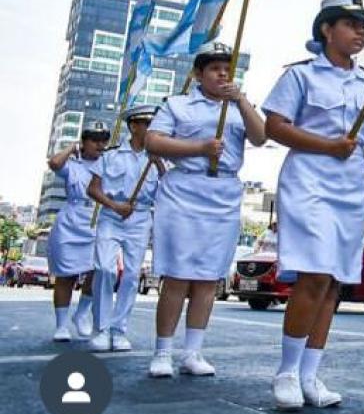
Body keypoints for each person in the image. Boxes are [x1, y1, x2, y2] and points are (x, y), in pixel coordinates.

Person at [262, 0, 364, 410]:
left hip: (350, 185)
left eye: (363, 25)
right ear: (327, 29)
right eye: (350, 24)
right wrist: (328, 146)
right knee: (313, 275)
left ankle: (310, 376)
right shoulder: (302, 76)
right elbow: (275, 126)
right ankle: (287, 372)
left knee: (332, 283)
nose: (360, 32)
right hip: (309, 179)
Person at [146, 41, 267, 379]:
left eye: (227, 68)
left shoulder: (239, 107)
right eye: (214, 68)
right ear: (198, 73)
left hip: (223, 192)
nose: (222, 73)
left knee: (208, 277)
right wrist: (199, 147)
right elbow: (154, 142)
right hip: (184, 189)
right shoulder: (178, 104)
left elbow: (260, 136)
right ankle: (163, 351)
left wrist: (241, 100)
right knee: (178, 275)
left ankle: (193, 352)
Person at [86, 104, 164, 353]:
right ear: (133, 126)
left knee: (131, 275)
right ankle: (102, 328)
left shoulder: (157, 158)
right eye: (147, 124)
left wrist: (159, 163)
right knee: (105, 268)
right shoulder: (110, 156)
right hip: (111, 214)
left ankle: (119, 329)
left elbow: (170, 189)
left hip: (140, 218)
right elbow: (93, 189)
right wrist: (114, 205)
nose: (152, 129)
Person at [45, 121, 110, 342]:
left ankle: (82, 313)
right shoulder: (72, 164)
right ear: (84, 142)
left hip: (97, 218)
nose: (100, 146)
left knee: (99, 270)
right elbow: (54, 163)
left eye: (103, 141)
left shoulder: (108, 165)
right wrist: (72, 148)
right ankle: (61, 325)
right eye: (94, 141)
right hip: (72, 219)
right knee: (66, 276)